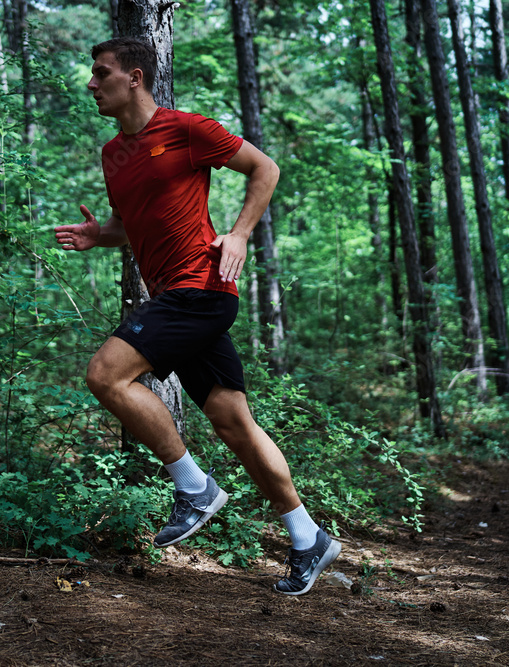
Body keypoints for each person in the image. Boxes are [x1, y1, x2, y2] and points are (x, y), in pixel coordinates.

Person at [54, 37, 340, 595]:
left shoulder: (187, 129)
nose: (92, 84)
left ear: (134, 77)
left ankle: (194, 488)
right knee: (235, 422)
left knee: (105, 375)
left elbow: (265, 168)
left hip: (201, 288)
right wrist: (99, 236)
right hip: (176, 294)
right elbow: (131, 225)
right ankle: (309, 539)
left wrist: (238, 233)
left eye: (100, 73)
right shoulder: (113, 154)